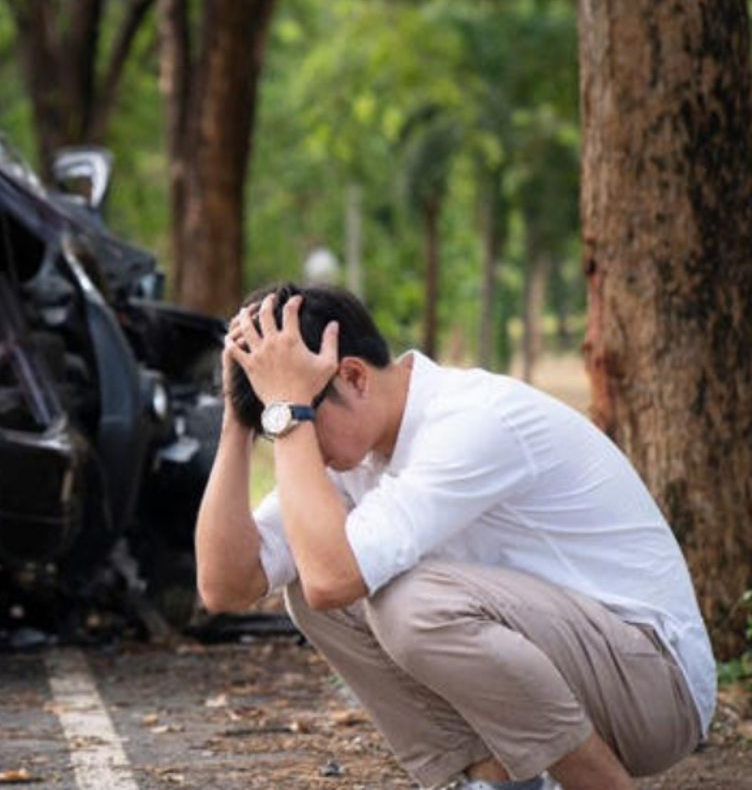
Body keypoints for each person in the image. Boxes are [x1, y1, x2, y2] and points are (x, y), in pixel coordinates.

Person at [193, 283, 713, 790]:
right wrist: (240, 417)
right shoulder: (352, 449)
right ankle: (502, 782)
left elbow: (335, 578)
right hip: (580, 668)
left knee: (410, 604)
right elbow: (227, 587)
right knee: (309, 586)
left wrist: (290, 415)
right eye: (278, 422)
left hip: (655, 686)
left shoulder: (468, 422)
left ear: (352, 376)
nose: (293, 436)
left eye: (297, 415)